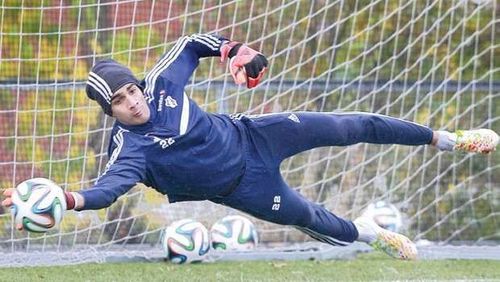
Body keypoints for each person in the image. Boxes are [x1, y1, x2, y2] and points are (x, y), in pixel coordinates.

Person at [2, 33, 498, 260]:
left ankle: (452, 140)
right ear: (109, 112)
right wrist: (65, 200)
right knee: (314, 219)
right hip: (243, 188)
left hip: (255, 133)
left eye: (130, 90)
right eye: (118, 101)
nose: (131, 102)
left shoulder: (161, 84)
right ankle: (374, 235)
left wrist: (236, 52)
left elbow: (194, 42)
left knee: (351, 124)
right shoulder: (129, 147)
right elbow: (106, 191)